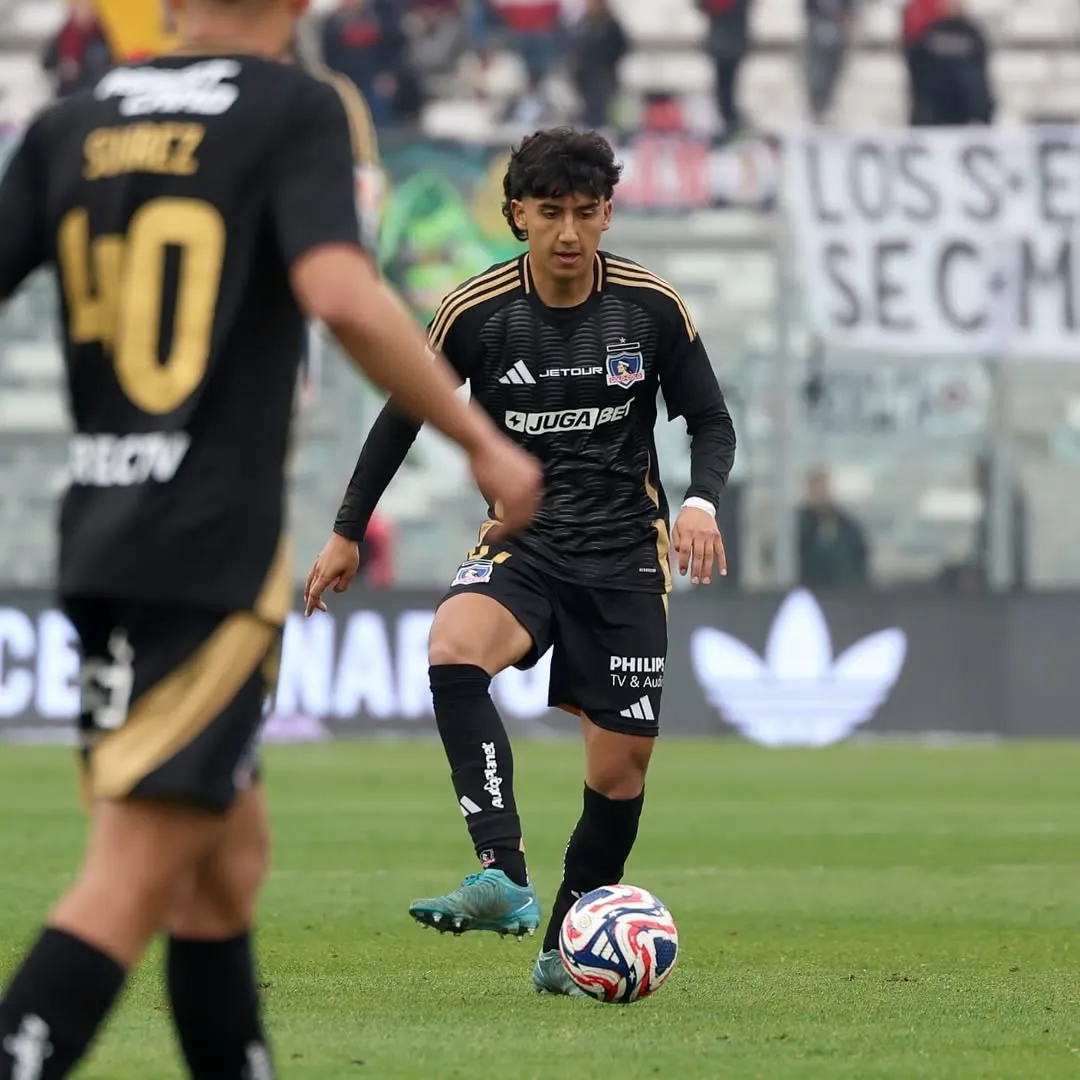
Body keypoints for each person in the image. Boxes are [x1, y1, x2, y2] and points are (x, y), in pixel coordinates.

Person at [0, 0, 541, 1076]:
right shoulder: (293, 108)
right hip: (210, 542)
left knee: (225, 866)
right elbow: (339, 291)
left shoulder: (74, 116)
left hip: (105, 526)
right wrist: (481, 437)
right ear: (296, 9)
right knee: (135, 867)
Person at [305, 128, 736, 996]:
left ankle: (561, 952)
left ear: (609, 213)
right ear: (515, 216)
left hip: (622, 561)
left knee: (619, 776)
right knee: (453, 644)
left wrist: (701, 501)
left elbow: (710, 421)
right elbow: (402, 416)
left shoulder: (651, 310)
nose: (568, 233)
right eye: (549, 214)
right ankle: (501, 872)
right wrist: (348, 529)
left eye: (585, 213)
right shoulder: (476, 311)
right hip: (524, 546)